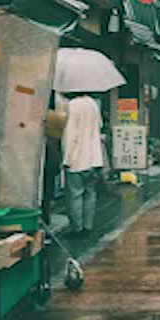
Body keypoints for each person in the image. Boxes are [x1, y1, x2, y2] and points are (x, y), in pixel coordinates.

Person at [61, 91, 105, 235]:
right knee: (90, 193)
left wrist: (66, 158)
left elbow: (70, 135)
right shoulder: (93, 104)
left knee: (75, 195)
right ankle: (88, 226)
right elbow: (100, 125)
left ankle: (77, 228)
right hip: (94, 159)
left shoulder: (72, 106)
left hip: (78, 159)